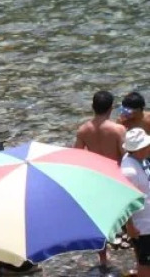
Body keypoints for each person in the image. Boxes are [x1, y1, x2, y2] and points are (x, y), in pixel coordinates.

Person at [78, 90, 126, 271]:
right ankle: (126, 237)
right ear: (111, 108)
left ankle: (103, 259)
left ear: (92, 107)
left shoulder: (83, 130)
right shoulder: (117, 129)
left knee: (98, 218)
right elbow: (125, 155)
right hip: (115, 175)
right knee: (123, 212)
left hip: (95, 177)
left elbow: (77, 155)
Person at [122, 129, 150, 277]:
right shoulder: (129, 172)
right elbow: (124, 201)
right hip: (143, 226)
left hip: (147, 220)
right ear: (140, 149)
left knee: (144, 260)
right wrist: (130, 226)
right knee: (146, 262)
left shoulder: (139, 159)